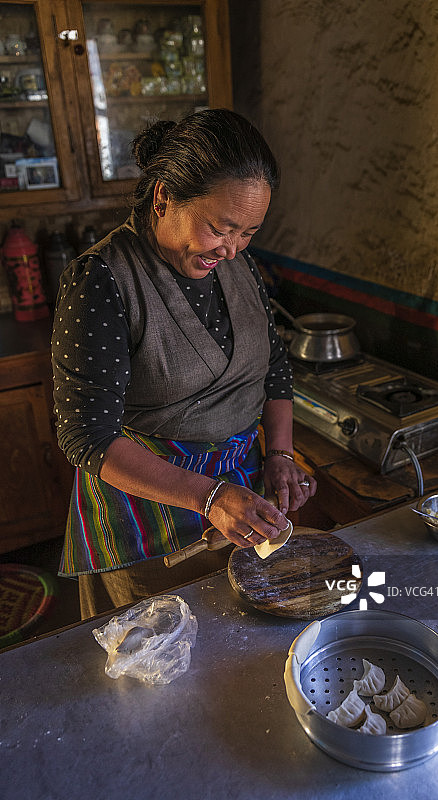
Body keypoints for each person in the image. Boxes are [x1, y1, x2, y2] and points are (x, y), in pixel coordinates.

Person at [51, 109, 316, 618]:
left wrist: (279, 454)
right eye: (221, 228)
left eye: (249, 233)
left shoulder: (241, 268)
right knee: (155, 661)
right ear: (163, 197)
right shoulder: (102, 281)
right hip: (144, 514)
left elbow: (275, 368)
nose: (233, 249)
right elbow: (87, 436)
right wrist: (207, 495)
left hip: (238, 500)